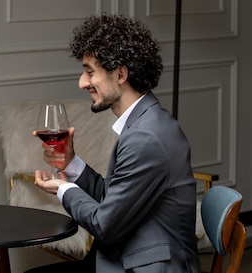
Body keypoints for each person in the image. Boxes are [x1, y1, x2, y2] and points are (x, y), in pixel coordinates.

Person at [28, 14, 200, 273]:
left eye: (89, 72)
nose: (82, 83)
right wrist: (72, 164)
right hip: (127, 257)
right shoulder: (146, 122)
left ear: (121, 73)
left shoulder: (145, 137)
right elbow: (117, 199)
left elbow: (104, 225)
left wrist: (64, 189)